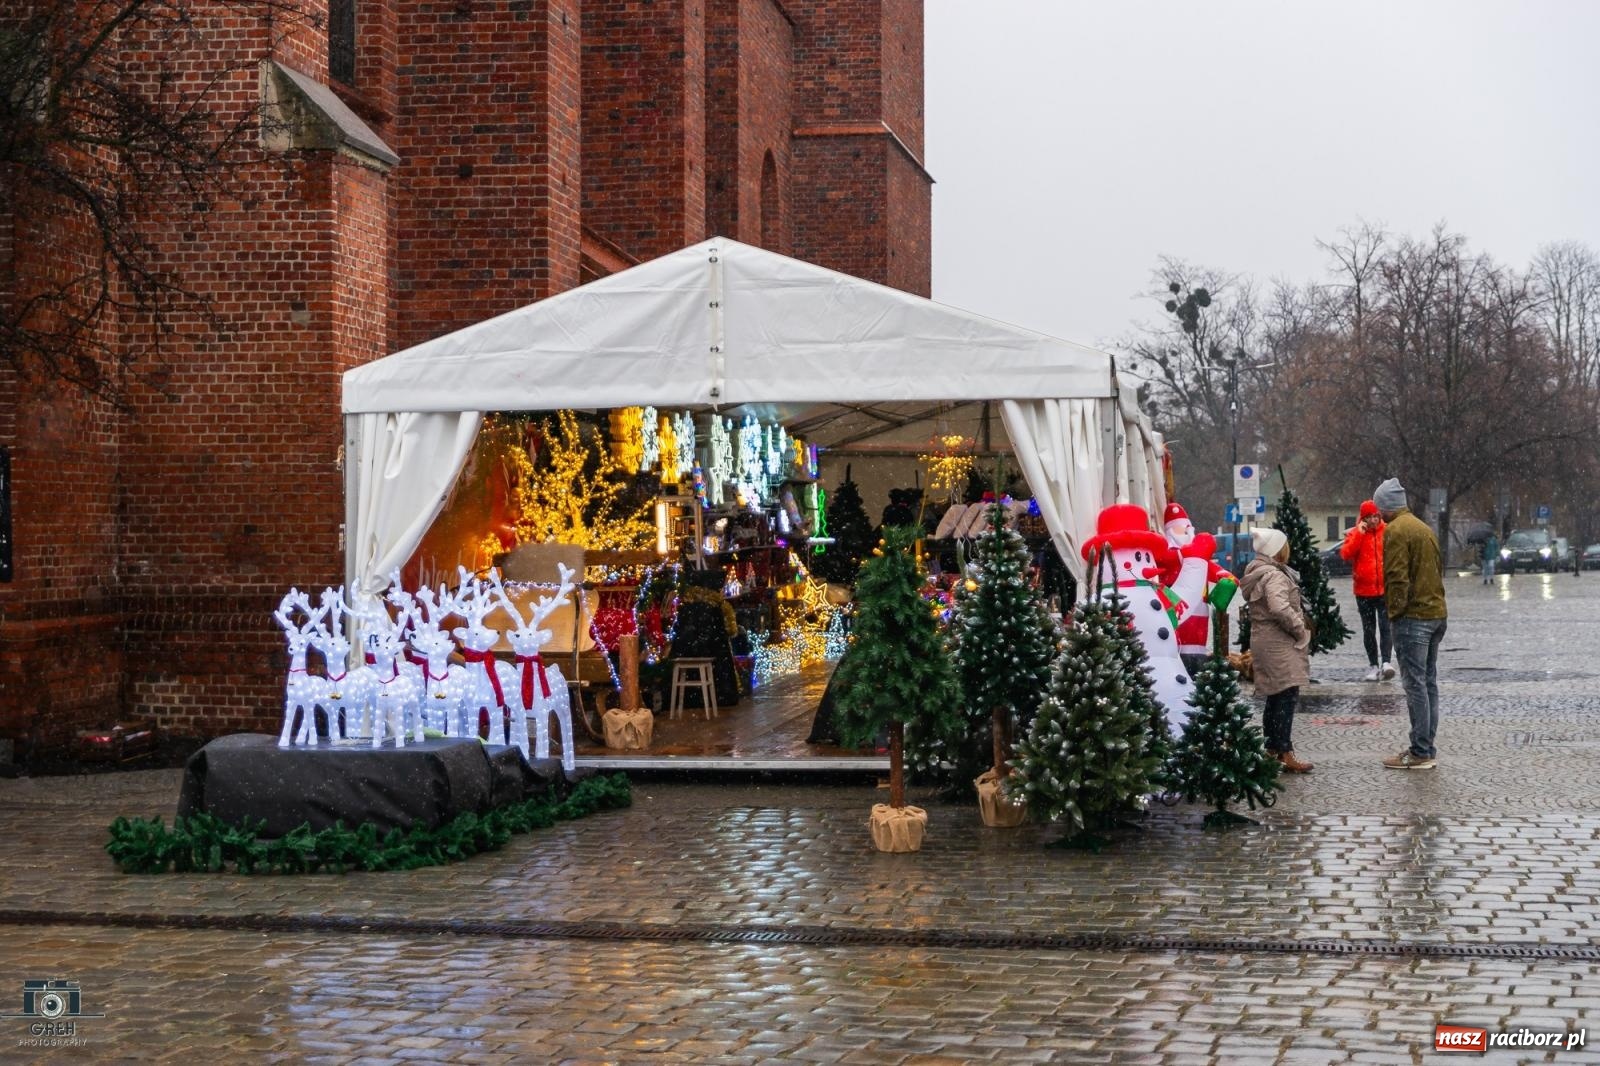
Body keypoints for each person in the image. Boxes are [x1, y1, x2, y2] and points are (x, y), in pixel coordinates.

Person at [1374, 477, 1447, 770]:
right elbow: (1436, 570)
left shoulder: (1395, 531)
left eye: (1379, 508)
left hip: (1413, 618)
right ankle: (1426, 746)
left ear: (1386, 507)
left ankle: (1420, 751)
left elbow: (1396, 577)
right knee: (1428, 683)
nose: (1378, 514)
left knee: (1415, 684)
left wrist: (1394, 612)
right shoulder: (1423, 528)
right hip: (1435, 614)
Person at [1238, 526, 1312, 773]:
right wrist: (1299, 628)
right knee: (1286, 695)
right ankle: (1283, 751)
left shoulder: (1257, 571)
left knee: (1275, 696)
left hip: (1264, 640)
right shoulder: (1275, 575)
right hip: (1279, 643)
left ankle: (1272, 749)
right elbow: (1279, 607)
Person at [1340, 500, 1394, 682]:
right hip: (1363, 591)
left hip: (1384, 589)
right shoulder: (1356, 533)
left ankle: (1386, 662)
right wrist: (1359, 534)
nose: (1374, 520)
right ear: (1364, 518)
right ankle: (1373, 665)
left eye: (1376, 516)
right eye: (1370, 517)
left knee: (1386, 627)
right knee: (1369, 630)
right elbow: (1346, 554)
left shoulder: (1387, 531)